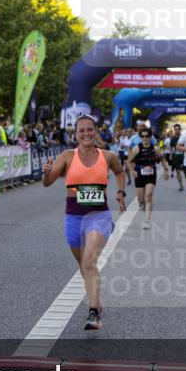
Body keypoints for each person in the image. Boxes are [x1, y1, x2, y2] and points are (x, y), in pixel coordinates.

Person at [42, 114, 127, 329]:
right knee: (84, 265)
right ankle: (96, 302)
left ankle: (93, 314)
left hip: (99, 216)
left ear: (96, 131)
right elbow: (47, 183)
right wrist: (46, 173)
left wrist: (120, 192)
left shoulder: (107, 156)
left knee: (89, 261)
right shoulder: (67, 156)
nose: (86, 133)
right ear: (76, 134)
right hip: (73, 217)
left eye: (90, 129)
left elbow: (119, 172)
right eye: (82, 130)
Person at [128, 127, 161, 227]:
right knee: (141, 199)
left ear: (150, 137)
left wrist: (166, 169)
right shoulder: (136, 148)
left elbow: (160, 159)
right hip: (139, 174)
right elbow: (129, 161)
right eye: (142, 136)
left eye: (147, 136)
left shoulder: (155, 148)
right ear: (140, 137)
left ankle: (147, 221)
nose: (144, 138)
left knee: (149, 195)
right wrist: (132, 171)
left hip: (151, 174)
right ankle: (143, 204)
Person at [170, 123, 186, 192]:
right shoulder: (172, 138)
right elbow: (171, 147)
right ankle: (180, 185)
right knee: (178, 171)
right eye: (175, 129)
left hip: (184, 156)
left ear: (180, 130)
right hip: (176, 156)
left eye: (178, 129)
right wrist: (171, 154)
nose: (176, 130)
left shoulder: (183, 137)